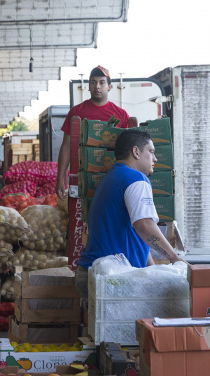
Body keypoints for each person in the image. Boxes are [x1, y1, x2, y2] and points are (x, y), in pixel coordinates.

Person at [74, 129, 185, 300]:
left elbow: (139, 235)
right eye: (151, 152)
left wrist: (151, 270)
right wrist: (174, 257)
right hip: (110, 279)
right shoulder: (136, 179)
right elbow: (145, 226)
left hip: (97, 274)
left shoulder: (113, 177)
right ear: (136, 152)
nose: (155, 159)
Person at [56, 65, 135, 198]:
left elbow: (130, 150)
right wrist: (60, 179)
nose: (97, 86)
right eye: (93, 82)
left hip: (113, 179)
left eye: (101, 82)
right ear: (89, 86)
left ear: (110, 86)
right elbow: (66, 146)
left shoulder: (121, 115)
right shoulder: (76, 112)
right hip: (83, 178)